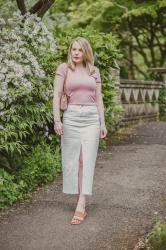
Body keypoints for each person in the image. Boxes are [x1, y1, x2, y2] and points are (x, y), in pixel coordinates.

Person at [53, 37, 107, 225]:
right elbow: (57, 95)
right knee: (72, 160)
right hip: (72, 116)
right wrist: (57, 120)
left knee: (87, 159)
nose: (76, 53)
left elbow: (99, 99)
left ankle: (81, 204)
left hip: (92, 117)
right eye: (73, 49)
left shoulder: (94, 71)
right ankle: (79, 199)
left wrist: (103, 123)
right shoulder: (64, 69)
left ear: (86, 52)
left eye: (79, 50)